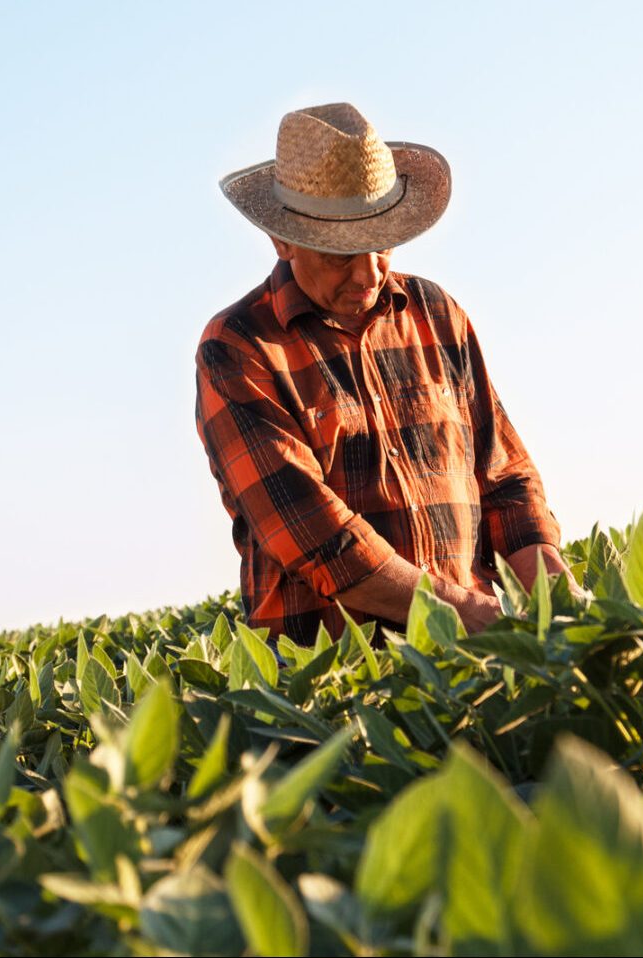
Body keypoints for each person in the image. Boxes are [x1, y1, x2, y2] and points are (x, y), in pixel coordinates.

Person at [194, 102, 570, 644]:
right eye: (340, 254)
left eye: (381, 246)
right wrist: (467, 613)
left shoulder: (436, 314)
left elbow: (506, 480)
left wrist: (557, 597)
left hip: (470, 657)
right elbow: (317, 540)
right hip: (333, 677)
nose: (368, 272)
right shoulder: (239, 347)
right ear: (283, 241)